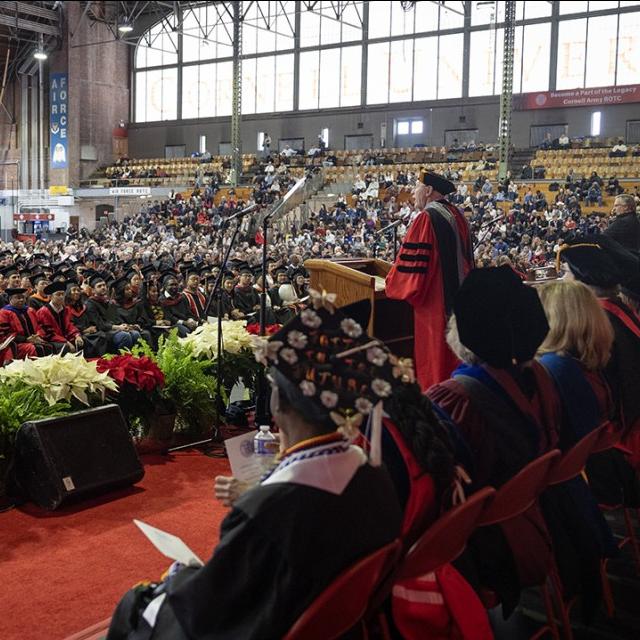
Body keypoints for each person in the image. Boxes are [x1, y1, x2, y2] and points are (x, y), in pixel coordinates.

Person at [107, 293, 403, 640]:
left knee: (137, 604)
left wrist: (178, 576)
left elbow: (205, 609)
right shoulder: (373, 474)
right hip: (340, 626)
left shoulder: (269, 510)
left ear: (280, 404)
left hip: (272, 624)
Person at [428, 266, 559, 617]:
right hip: (535, 522)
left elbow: (435, 485)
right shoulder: (539, 376)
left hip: (481, 547)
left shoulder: (455, 398)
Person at [385, 169, 474, 391]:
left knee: (436, 366)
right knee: (454, 362)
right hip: (461, 303)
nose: (412, 193)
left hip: (435, 307)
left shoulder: (427, 218)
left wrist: (391, 282)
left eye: (415, 187)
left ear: (428, 190)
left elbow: (412, 275)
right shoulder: (458, 215)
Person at [0, 287, 54, 359]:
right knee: (35, 348)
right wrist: (26, 339)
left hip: (34, 340)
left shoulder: (30, 310)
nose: (22, 300)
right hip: (17, 344)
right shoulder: (4, 313)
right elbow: (5, 334)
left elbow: (39, 326)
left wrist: (38, 336)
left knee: (49, 346)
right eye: (18, 298)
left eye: (23, 297)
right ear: (10, 299)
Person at [36, 281, 84, 354]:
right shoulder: (43, 312)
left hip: (65, 338)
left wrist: (77, 335)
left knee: (81, 341)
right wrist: (66, 342)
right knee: (65, 347)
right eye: (58, 294)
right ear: (51, 296)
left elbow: (70, 325)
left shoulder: (66, 309)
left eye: (63, 294)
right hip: (51, 341)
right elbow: (49, 333)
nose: (61, 297)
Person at [65, 282, 109, 357]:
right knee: (88, 339)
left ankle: (101, 360)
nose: (77, 292)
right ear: (68, 293)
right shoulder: (65, 309)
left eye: (78, 290)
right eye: (74, 290)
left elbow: (90, 321)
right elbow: (68, 326)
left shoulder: (82, 307)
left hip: (86, 332)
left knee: (102, 335)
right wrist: (84, 331)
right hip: (74, 335)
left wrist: (92, 328)